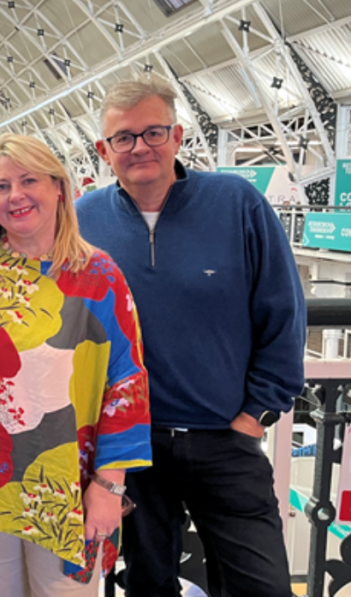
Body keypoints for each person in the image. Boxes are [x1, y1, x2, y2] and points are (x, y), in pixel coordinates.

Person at [75, 77, 306, 597]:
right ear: (103, 151)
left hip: (225, 440)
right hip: (131, 449)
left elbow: (283, 314)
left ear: (178, 136)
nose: (141, 147)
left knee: (262, 585)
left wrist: (254, 417)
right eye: (124, 137)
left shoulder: (237, 204)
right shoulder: (83, 221)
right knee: (148, 585)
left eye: (154, 132)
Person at [0, 133, 151, 597]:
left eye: (28, 180)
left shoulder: (98, 275)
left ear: (59, 188)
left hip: (69, 490)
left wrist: (109, 486)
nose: (15, 195)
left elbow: (127, 382)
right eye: (1, 186)